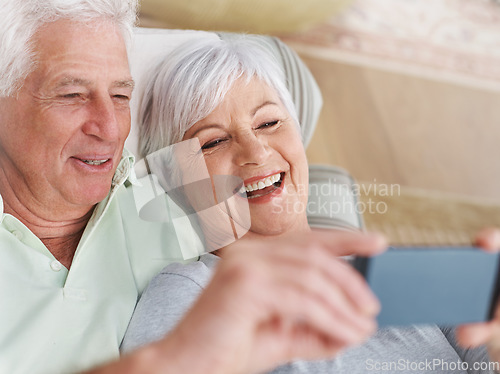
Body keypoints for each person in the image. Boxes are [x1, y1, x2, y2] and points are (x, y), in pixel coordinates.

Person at [0, 1, 392, 373]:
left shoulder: (158, 196)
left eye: (121, 96)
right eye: (71, 94)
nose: (111, 127)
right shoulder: (187, 281)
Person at [121, 36, 500, 373]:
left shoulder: (397, 268)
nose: (256, 152)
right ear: (176, 181)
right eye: (213, 142)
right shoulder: (190, 292)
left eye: (268, 123)